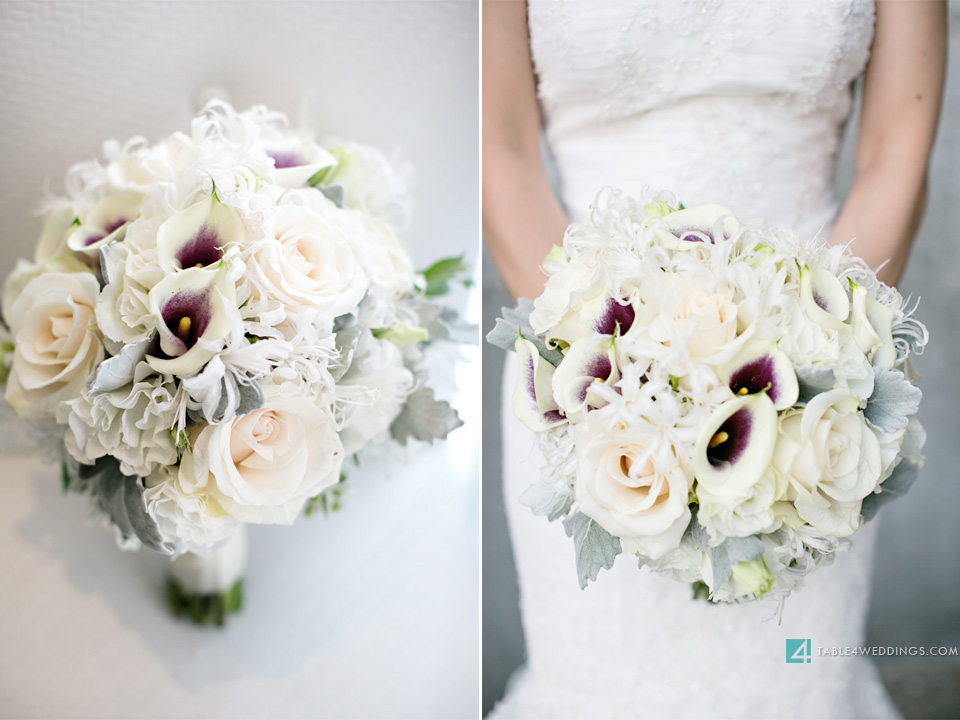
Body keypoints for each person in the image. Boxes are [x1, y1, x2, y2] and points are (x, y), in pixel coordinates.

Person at [483, 1, 946, 718]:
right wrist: (607, 378)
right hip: (592, 392)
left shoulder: (822, 390)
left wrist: (826, 360)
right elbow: (498, 147)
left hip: (816, 405)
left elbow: (898, 149)